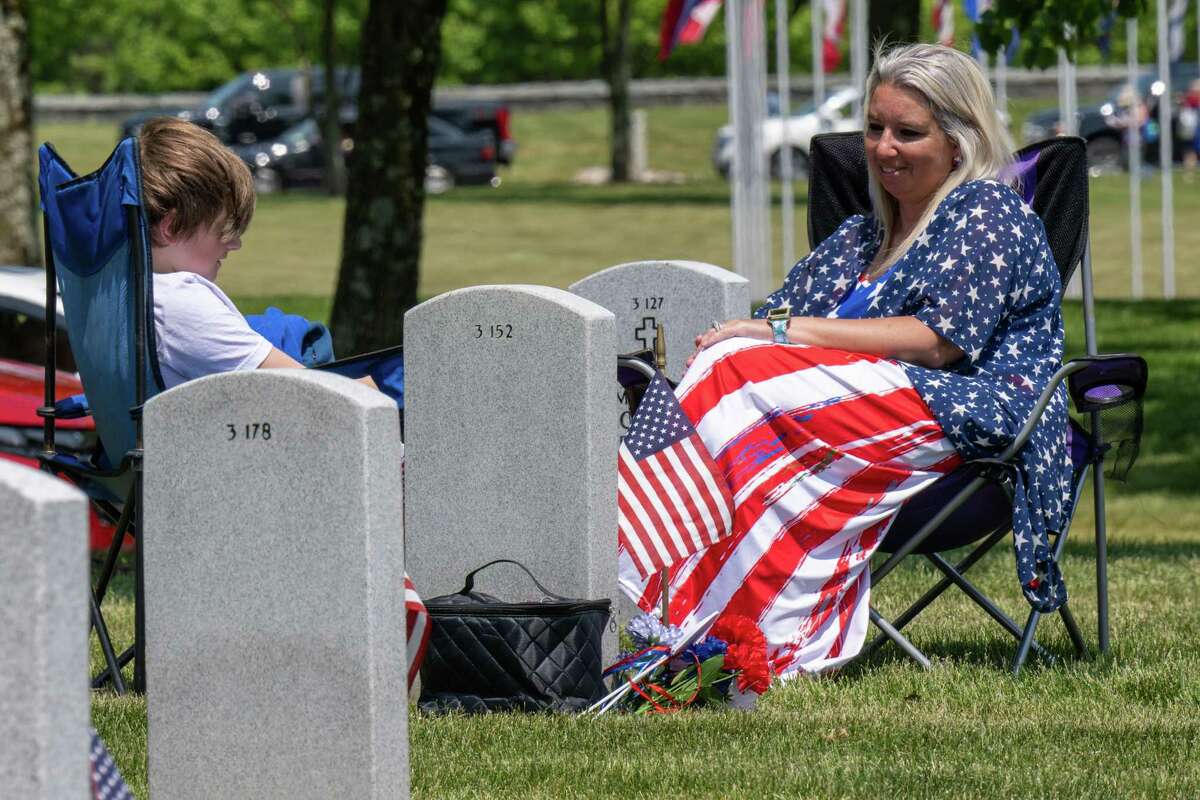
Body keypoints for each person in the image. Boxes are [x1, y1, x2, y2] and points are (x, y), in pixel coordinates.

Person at [619, 43, 1073, 678]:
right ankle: (683, 616)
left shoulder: (986, 210)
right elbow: (767, 335)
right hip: (850, 422)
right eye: (874, 127)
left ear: (959, 141)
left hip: (970, 416)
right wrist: (757, 335)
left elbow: (936, 342)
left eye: (908, 133)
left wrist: (774, 332)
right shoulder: (857, 238)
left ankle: (694, 611)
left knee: (738, 364)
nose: (884, 148)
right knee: (729, 361)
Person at [139, 116, 373, 389]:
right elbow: (323, 397)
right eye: (222, 229)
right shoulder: (178, 305)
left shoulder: (127, 289)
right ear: (171, 227)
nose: (234, 244)